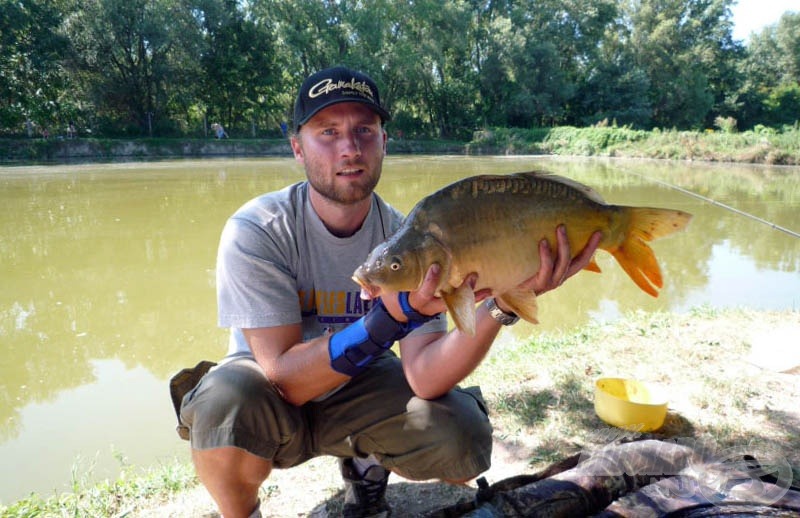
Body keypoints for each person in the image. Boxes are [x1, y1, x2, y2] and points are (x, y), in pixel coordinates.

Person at [174, 66, 601, 518]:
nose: (350, 148)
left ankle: (366, 465)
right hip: (269, 398)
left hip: (360, 387)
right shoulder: (258, 228)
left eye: (364, 130)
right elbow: (284, 376)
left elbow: (425, 377)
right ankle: (242, 513)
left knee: (460, 434)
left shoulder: (413, 234)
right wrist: (389, 319)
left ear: (384, 141)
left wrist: (502, 304)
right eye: (328, 132)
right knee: (223, 400)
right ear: (297, 147)